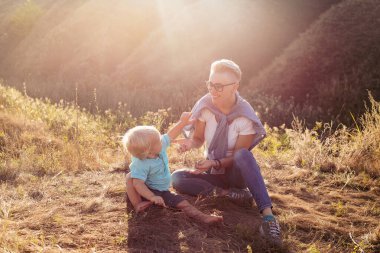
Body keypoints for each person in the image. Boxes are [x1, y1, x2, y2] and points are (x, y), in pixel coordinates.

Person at [171, 59, 282, 244]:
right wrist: (190, 144)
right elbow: (198, 140)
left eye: (219, 86)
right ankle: (227, 194)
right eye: (210, 84)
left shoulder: (245, 116)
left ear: (235, 87)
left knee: (243, 155)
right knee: (176, 178)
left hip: (235, 174)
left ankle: (269, 218)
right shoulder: (205, 106)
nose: (213, 91)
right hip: (214, 173)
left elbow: (238, 157)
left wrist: (214, 162)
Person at [123, 112, 223, 224]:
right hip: (147, 190)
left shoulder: (159, 147)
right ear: (149, 152)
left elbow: (170, 135)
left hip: (163, 191)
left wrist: (183, 122)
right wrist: (152, 197)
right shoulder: (141, 164)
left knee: (184, 204)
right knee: (130, 178)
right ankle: (138, 204)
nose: (161, 139)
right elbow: (138, 184)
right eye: (158, 140)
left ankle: (204, 217)